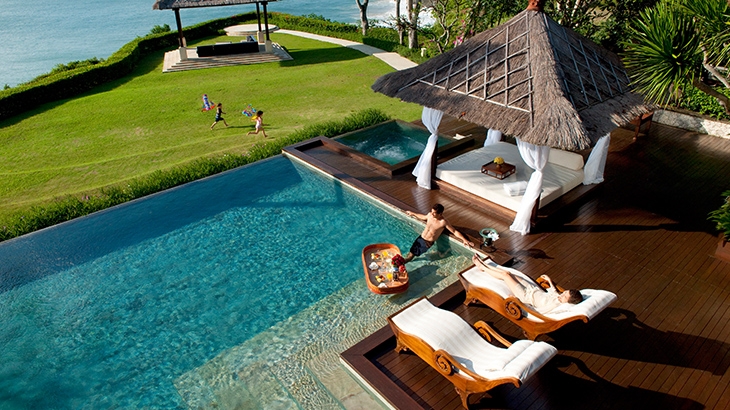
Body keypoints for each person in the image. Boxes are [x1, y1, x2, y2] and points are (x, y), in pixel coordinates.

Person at [472, 254, 583, 313]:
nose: (562, 294)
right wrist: (549, 281)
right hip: (532, 288)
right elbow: (554, 292)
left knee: (505, 275)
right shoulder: (559, 298)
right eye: (565, 292)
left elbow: (536, 311)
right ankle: (485, 265)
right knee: (509, 273)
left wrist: (518, 302)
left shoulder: (554, 306)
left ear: (568, 302)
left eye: (565, 296)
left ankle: (482, 267)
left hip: (525, 296)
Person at [403, 203, 474, 263]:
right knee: (412, 251)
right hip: (421, 237)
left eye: (434, 213)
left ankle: (404, 262)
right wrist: (413, 213)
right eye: (432, 211)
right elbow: (423, 217)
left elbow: (454, 231)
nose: (432, 214)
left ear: (440, 214)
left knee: (412, 255)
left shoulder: (443, 222)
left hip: (427, 242)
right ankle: (405, 260)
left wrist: (464, 239)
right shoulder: (430, 215)